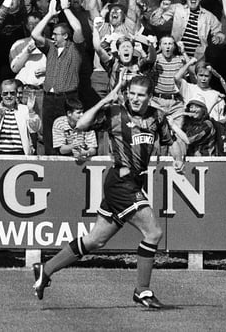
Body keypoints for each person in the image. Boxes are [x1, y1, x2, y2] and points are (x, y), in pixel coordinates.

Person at [32, 75, 186, 308]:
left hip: (134, 182)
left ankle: (46, 269)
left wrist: (177, 158)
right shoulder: (115, 112)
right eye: (131, 93)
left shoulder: (157, 117)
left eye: (141, 95)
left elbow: (171, 139)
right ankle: (142, 291)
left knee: (96, 240)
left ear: (149, 97)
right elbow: (80, 124)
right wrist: (106, 98)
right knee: (153, 233)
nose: (135, 98)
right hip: (121, 182)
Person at [31, 0, 86, 155]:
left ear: (66, 36)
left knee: (67, 135)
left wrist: (66, 9)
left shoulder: (75, 48)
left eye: (56, 34)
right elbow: (35, 34)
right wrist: (49, 14)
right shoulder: (51, 48)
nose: (53, 36)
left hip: (67, 98)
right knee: (48, 135)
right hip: (49, 98)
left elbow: (78, 28)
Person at [150, 0, 226, 60]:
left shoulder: (208, 16)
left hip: (197, 58)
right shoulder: (177, 8)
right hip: (176, 56)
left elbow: (220, 32)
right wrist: (161, 9)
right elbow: (154, 22)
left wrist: (218, 37)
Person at [0, 79, 40, 155]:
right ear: (1, 94)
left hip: (20, 153)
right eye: (5, 93)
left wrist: (31, 111)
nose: (9, 96)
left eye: (12, 93)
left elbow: (35, 128)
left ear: (16, 94)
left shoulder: (24, 109)